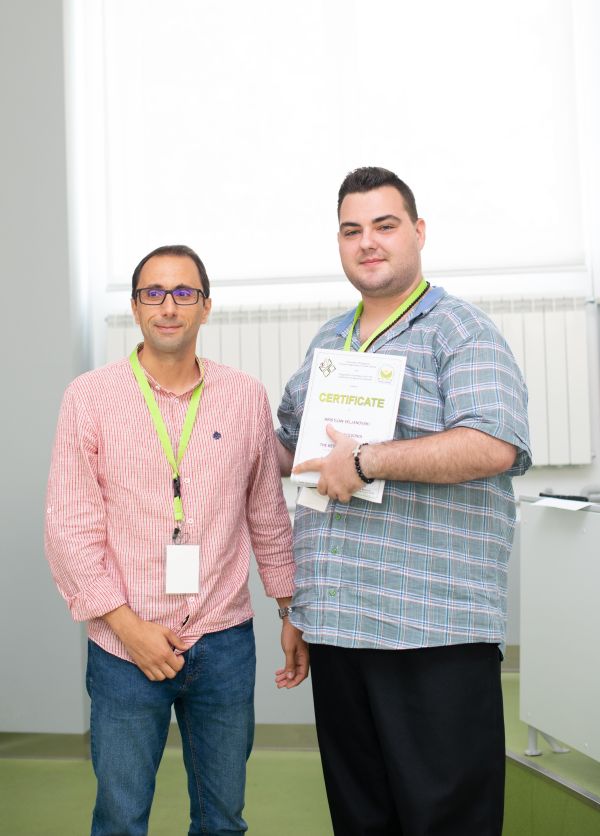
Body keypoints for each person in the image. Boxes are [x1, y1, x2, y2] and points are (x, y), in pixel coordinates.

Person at [275, 167, 531, 836]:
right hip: (340, 627)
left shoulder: (461, 332)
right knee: (362, 818)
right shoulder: (330, 341)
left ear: (418, 232)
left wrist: (368, 461)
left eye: (384, 226)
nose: (367, 242)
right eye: (351, 230)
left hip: (432, 633)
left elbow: (493, 445)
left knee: (445, 819)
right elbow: (294, 457)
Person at [45, 244, 309, 836]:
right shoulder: (89, 398)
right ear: (135, 307)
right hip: (124, 646)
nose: (169, 306)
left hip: (224, 639)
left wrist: (290, 608)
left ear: (206, 307)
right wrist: (129, 630)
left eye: (184, 293)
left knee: (223, 820)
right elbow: (69, 530)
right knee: (120, 820)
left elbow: (267, 513)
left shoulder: (243, 395)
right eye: (154, 293)